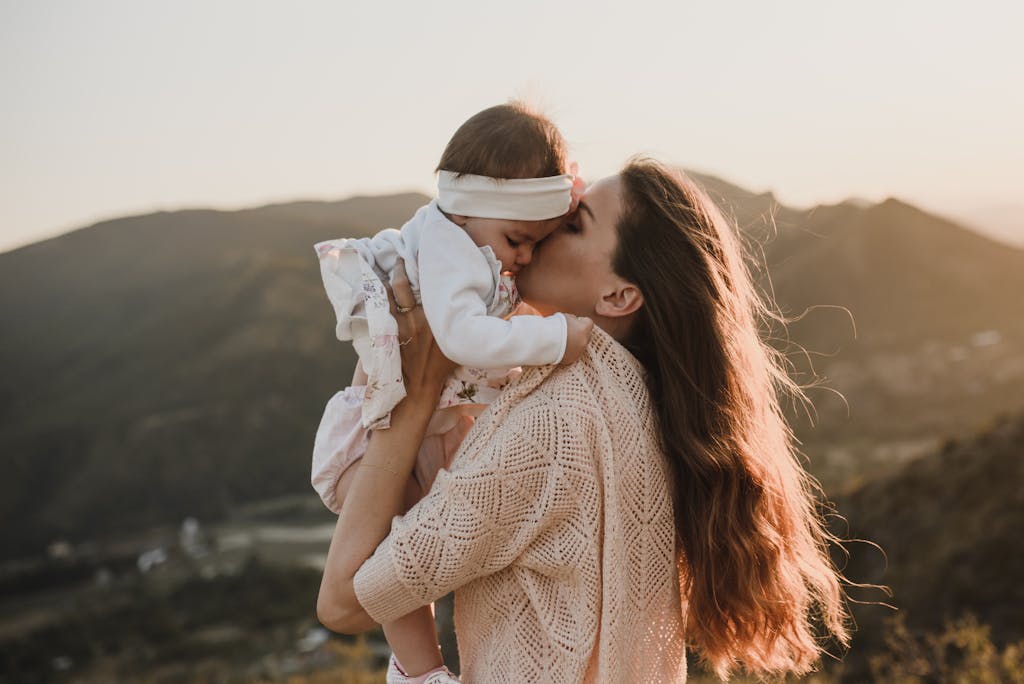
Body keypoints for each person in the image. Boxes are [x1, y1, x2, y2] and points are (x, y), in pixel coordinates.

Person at [316, 159, 853, 682]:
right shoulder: (636, 400)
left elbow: (344, 603)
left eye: (571, 224)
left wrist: (411, 398)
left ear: (618, 295)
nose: (542, 231)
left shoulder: (553, 426)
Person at [312, 102, 592, 683]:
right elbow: (462, 334)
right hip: (381, 439)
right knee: (394, 559)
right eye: (518, 239)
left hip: (426, 426)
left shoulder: (469, 239)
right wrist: (557, 335)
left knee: (418, 550)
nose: (522, 258)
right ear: (475, 209)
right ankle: (421, 672)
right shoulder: (447, 247)